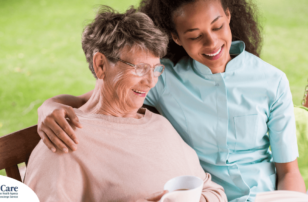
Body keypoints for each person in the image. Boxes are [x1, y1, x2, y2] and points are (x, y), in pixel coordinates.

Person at [36, 0, 306, 201]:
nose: (212, 43)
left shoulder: (272, 81)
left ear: (229, 16)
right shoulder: (163, 79)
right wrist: (48, 108)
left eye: (218, 26)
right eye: (194, 35)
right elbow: (97, 99)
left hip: (267, 196)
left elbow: (289, 171)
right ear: (176, 38)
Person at [24, 6, 227, 202]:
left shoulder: (160, 126)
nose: (150, 82)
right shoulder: (64, 140)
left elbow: (214, 191)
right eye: (139, 68)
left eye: (156, 69)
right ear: (101, 65)